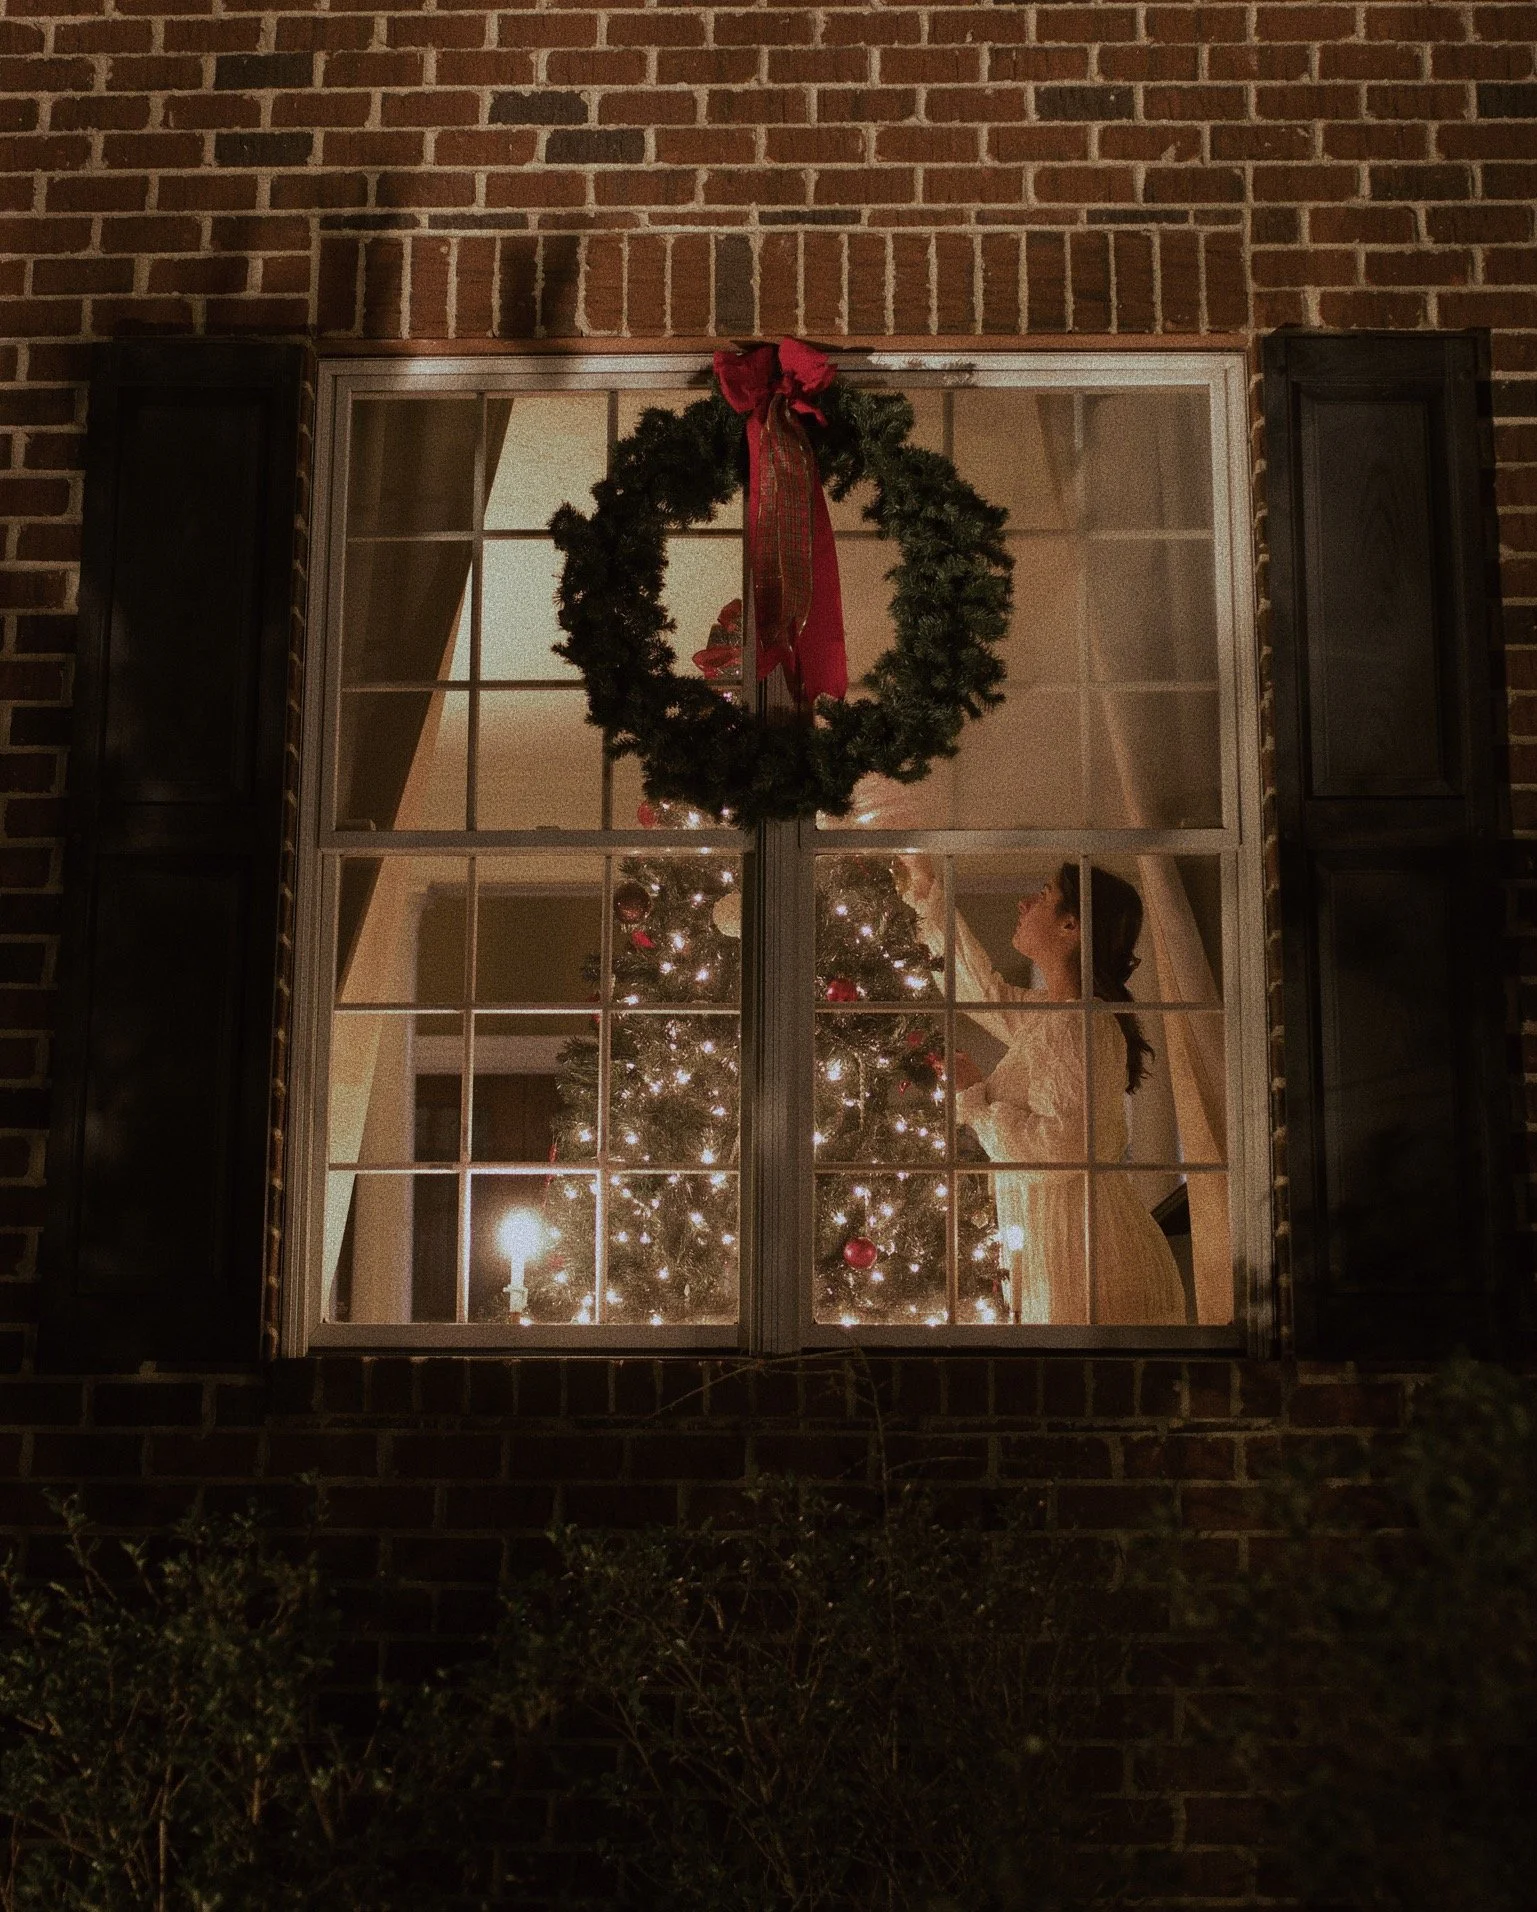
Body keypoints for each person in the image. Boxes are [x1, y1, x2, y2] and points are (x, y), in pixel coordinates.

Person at [897, 856, 1186, 1326]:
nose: (1024, 902)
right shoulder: (1057, 1015)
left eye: (1044, 895)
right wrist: (928, 893)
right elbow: (976, 990)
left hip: (1090, 1265)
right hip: (1071, 1255)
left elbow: (1063, 1148)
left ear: (1070, 925)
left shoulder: (1074, 1022)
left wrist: (976, 1101)